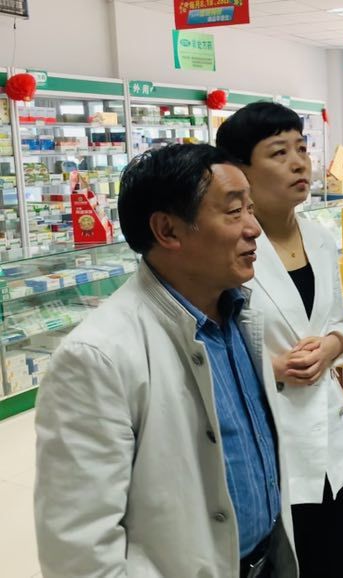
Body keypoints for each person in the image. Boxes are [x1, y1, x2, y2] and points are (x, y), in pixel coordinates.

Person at [34, 144, 298, 578]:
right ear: (168, 230)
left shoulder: (239, 313)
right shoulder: (97, 357)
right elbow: (78, 549)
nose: (254, 228)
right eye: (234, 211)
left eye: (251, 209)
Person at [216, 102, 343, 578]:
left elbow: (337, 320)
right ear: (240, 171)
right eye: (279, 153)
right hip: (268, 440)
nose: (300, 163)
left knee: (335, 562)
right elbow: (210, 350)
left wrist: (332, 346)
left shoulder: (318, 237)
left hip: (328, 439)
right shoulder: (228, 252)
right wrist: (272, 369)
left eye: (302, 148)